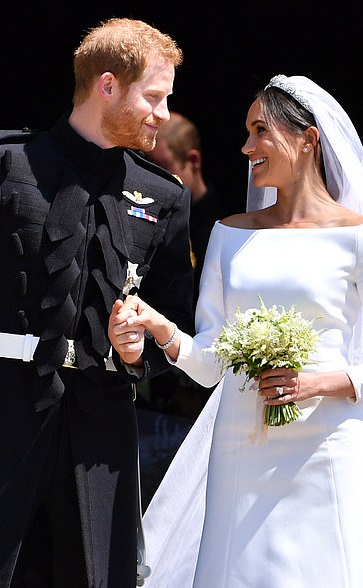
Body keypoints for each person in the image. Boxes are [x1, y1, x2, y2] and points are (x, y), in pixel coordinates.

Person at [108, 75, 363, 587]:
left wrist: (314, 383)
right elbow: (211, 364)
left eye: (260, 131)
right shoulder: (228, 235)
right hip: (241, 443)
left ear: (308, 138)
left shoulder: (360, 238)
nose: (246, 147)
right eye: (247, 132)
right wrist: (160, 327)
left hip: (328, 444)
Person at [0, 17, 193, 588]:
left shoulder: (165, 196)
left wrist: (139, 348)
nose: (163, 115)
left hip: (101, 430)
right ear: (107, 85)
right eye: (154, 98)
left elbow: (174, 322)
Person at [144, 112, 222, 420]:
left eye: (162, 167)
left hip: (204, 375)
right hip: (157, 377)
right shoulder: (147, 213)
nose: (152, 178)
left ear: (193, 160)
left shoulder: (226, 224)